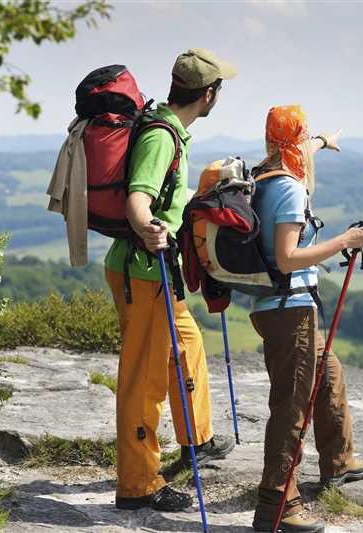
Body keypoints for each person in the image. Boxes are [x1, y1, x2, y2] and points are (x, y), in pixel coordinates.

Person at [103, 48, 238, 512]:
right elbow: (138, 199)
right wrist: (149, 227)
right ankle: (138, 484)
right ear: (208, 95)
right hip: (143, 272)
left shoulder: (171, 129)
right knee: (144, 378)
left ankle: (196, 439)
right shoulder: (161, 137)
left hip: (158, 273)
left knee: (187, 346)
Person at [249, 105, 363, 533]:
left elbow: (300, 149)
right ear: (294, 142)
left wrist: (323, 140)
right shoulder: (288, 190)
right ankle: (277, 505)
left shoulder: (264, 173)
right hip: (289, 308)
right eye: (305, 140)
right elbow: (287, 257)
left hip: (276, 306)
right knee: (291, 407)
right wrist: (345, 239)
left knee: (329, 369)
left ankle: (338, 461)